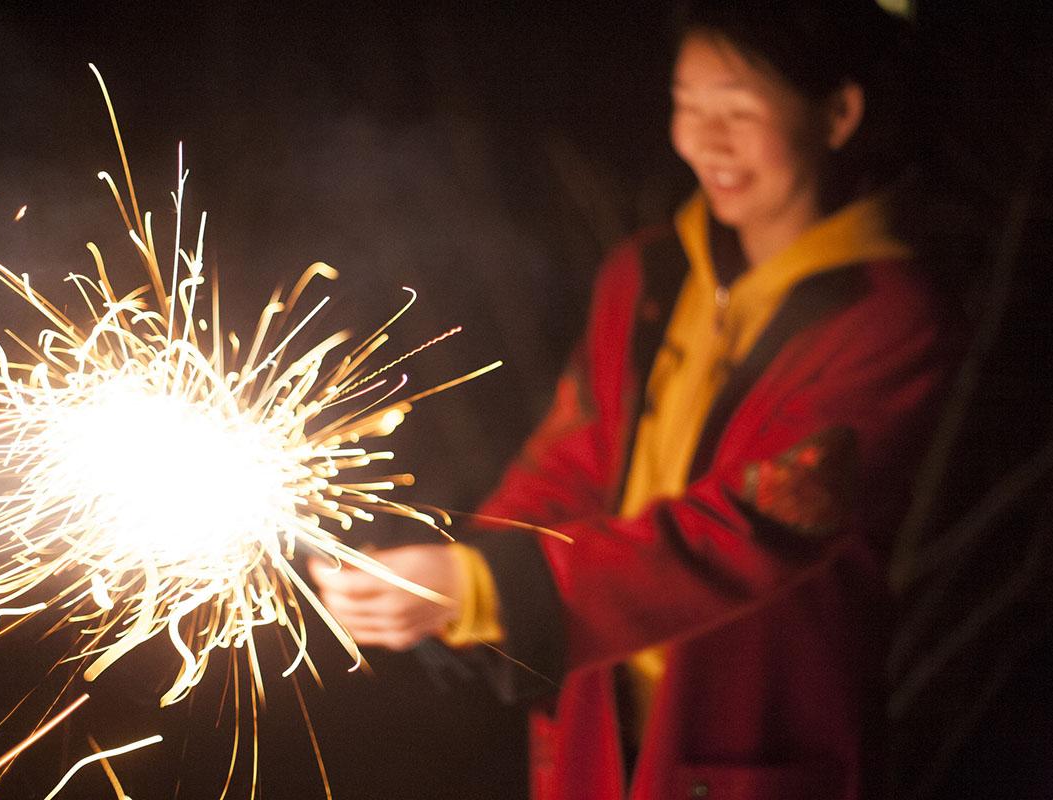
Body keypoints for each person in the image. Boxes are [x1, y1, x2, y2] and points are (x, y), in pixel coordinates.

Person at [310, 2, 958, 798]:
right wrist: (458, 573)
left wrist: (493, 589)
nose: (704, 139)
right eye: (689, 105)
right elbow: (571, 459)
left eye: (738, 110)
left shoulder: (885, 318)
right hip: (597, 725)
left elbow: (749, 529)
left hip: (753, 744)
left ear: (840, 111)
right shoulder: (647, 275)